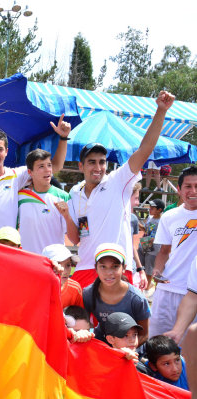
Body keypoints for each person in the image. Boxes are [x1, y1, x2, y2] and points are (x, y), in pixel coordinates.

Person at [67, 91, 176, 288]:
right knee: (79, 320)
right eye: (91, 162)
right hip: (84, 269)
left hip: (117, 269)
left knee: (118, 320)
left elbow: (144, 150)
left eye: (102, 162)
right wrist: (66, 214)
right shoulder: (75, 193)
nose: (98, 167)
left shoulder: (117, 181)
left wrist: (160, 111)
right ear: (81, 166)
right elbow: (77, 237)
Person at [0, 120, 71, 232]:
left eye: (0, 149)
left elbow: (55, 166)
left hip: (8, 244)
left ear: (6, 151)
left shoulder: (16, 175)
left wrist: (63, 138)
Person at [149, 165, 197, 337]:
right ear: (179, 189)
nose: (193, 191)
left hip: (193, 292)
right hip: (167, 289)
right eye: (188, 186)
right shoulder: (170, 216)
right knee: (158, 341)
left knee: (188, 349)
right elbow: (164, 251)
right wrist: (157, 270)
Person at [82, 243, 150, 345]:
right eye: (103, 266)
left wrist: (126, 350)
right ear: (95, 268)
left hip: (129, 349)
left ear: (124, 268)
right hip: (102, 345)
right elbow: (84, 326)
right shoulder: (88, 294)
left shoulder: (137, 299)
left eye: (115, 266)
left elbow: (144, 334)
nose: (109, 272)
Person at [18, 149, 77, 254]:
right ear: (30, 172)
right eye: (41, 166)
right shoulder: (20, 197)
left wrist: (67, 216)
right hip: (27, 263)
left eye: (49, 165)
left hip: (53, 264)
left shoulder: (63, 197)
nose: (48, 170)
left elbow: (74, 238)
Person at [42, 244, 83, 308]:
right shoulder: (36, 288)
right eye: (57, 265)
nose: (64, 270)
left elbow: (80, 316)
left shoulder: (75, 288)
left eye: (68, 265)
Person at [138, 198, 165, 291]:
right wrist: (136, 222)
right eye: (150, 207)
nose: (150, 209)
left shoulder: (162, 221)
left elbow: (157, 237)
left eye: (152, 208)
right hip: (145, 244)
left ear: (159, 210)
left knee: (149, 269)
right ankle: (143, 286)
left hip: (153, 248)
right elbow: (146, 230)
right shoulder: (150, 218)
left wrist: (145, 244)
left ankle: (146, 289)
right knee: (142, 266)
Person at [130, 182, 147, 289]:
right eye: (136, 198)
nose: (138, 203)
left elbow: (131, 246)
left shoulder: (133, 219)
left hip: (129, 269)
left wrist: (140, 270)